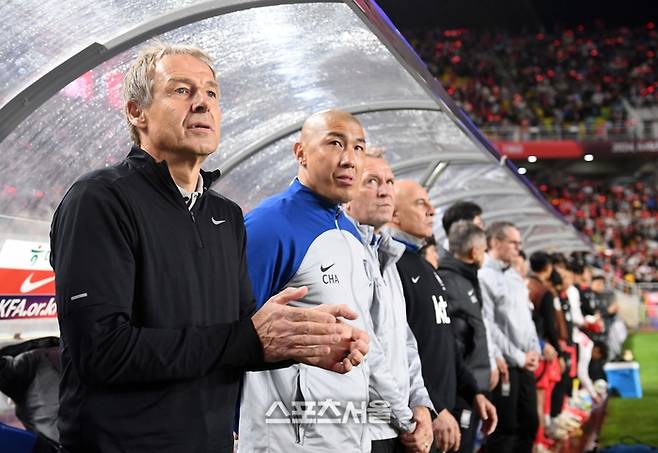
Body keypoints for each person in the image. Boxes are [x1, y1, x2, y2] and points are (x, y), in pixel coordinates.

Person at [50, 44, 368, 453]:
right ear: (136, 112)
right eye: (181, 90)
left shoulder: (227, 216)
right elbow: (102, 351)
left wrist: (302, 344)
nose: (203, 103)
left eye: (212, 93)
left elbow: (236, 341)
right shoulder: (99, 200)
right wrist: (250, 339)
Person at [240, 110, 413, 452]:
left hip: (349, 439)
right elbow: (234, 336)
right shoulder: (269, 226)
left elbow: (369, 343)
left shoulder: (351, 234)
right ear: (300, 152)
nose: (350, 159)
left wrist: (403, 416)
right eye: (335, 143)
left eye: (359, 148)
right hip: (286, 441)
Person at [387, 180, 497, 453]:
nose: (432, 211)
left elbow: (445, 343)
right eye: (420, 203)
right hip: (416, 421)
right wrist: (433, 408)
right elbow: (398, 352)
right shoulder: (390, 267)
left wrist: (473, 392)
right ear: (394, 214)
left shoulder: (426, 268)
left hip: (440, 413)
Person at [345, 151, 435, 453]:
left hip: (397, 425)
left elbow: (405, 341)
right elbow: (366, 350)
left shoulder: (387, 255)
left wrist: (421, 403)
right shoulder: (343, 254)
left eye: (389, 182)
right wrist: (408, 418)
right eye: (371, 181)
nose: (385, 190)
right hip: (366, 430)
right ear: (346, 191)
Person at [478, 222, 541, 453]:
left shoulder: (515, 276)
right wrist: (518, 357)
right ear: (495, 242)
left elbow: (527, 317)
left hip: (527, 363)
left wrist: (534, 349)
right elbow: (488, 325)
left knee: (530, 423)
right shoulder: (483, 276)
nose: (518, 247)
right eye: (513, 242)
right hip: (507, 365)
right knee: (505, 428)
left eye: (519, 243)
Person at [436, 220, 494, 453]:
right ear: (475, 251)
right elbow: (453, 339)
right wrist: (468, 381)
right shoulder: (452, 281)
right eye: (485, 250)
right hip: (462, 388)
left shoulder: (466, 278)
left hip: (473, 383)